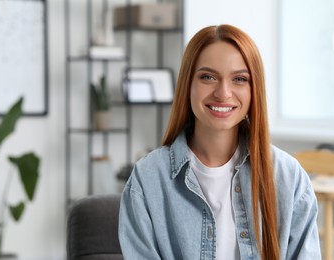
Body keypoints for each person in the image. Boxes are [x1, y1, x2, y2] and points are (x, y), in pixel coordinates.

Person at [119, 24, 321, 260]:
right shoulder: (148, 179)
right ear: (187, 85)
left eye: (239, 79)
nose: (223, 93)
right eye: (208, 77)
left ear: (253, 90)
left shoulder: (288, 177)